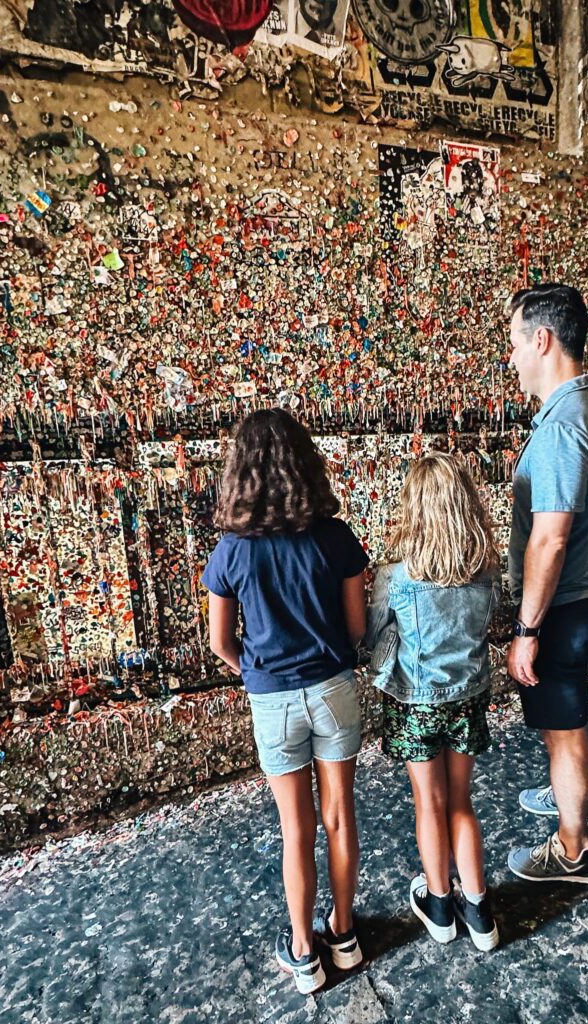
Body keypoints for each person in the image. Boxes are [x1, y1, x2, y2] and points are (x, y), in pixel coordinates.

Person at [202, 408, 367, 995]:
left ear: (239, 471)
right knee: (339, 816)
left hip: (272, 700)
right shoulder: (337, 538)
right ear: (305, 462)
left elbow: (221, 641)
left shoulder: (231, 551)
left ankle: (304, 951)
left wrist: (255, 672)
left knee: (295, 829)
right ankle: (344, 937)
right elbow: (354, 628)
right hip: (333, 690)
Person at [505, 283, 588, 884]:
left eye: (514, 344)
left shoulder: (562, 426)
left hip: (564, 607)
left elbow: (550, 539)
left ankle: (574, 849)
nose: (513, 360)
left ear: (543, 339)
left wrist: (527, 629)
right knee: (567, 723)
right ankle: (570, 799)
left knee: (564, 731)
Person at [366, 453, 502, 951]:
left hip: (414, 706)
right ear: (465, 506)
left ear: (415, 508)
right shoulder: (486, 572)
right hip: (467, 699)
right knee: (462, 802)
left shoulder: (394, 577)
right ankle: (481, 914)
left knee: (430, 802)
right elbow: (490, 627)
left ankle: (441, 907)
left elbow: (374, 637)